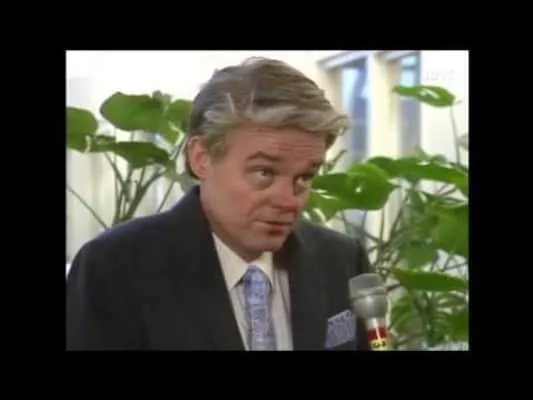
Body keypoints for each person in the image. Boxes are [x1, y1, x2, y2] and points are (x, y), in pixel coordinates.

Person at [66, 57, 372, 351]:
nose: (288, 200)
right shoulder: (113, 268)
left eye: (304, 177)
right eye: (264, 173)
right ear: (201, 157)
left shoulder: (342, 261)